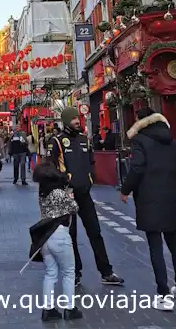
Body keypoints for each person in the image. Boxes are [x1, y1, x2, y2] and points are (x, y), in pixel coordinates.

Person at [120, 107, 176, 310]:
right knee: (173, 240)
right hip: (169, 196)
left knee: (155, 245)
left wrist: (126, 189)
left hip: (149, 197)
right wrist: (173, 188)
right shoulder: (172, 142)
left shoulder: (141, 140)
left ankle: (163, 294)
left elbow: (137, 167)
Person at [48, 108, 123, 287]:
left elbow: (91, 162)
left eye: (78, 118)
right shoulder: (57, 142)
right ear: (66, 121)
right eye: (74, 118)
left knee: (95, 233)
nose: (77, 121)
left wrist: (90, 178)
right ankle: (75, 273)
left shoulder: (85, 140)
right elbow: (51, 169)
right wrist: (63, 185)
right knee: (70, 237)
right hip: (68, 195)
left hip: (85, 195)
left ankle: (106, 272)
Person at [30, 160, 82, 322]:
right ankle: (69, 308)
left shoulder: (42, 192)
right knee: (68, 272)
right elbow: (74, 207)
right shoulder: (59, 193)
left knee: (50, 273)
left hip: (46, 236)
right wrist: (70, 196)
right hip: (60, 234)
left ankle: (48, 309)